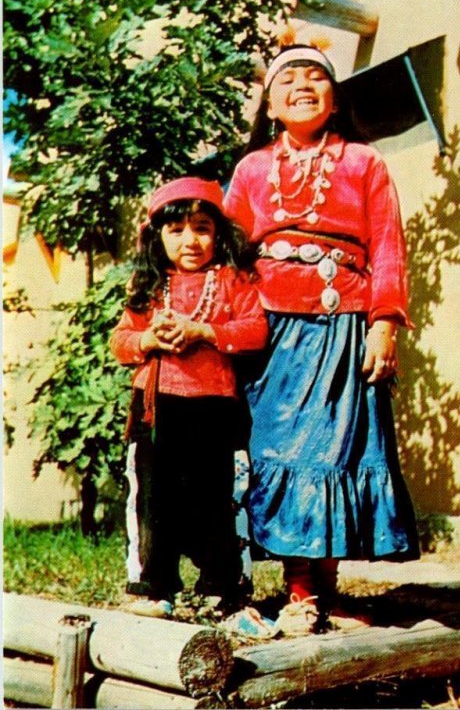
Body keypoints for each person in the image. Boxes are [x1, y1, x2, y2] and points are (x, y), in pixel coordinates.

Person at [224, 40, 420, 635]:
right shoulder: (252, 169)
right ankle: (284, 585)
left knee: (332, 454)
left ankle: (311, 592)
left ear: (335, 99)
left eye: (316, 77)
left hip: (341, 325)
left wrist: (384, 323)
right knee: (277, 453)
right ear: (269, 103)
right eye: (288, 79)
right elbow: (228, 251)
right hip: (271, 330)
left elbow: (388, 246)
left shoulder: (364, 162)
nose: (302, 86)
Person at [110, 177, 268, 618]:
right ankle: (153, 586)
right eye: (176, 230)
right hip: (156, 408)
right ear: (157, 237)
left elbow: (255, 331)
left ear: (219, 234)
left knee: (215, 495)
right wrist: (147, 341)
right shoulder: (149, 286)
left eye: (202, 228)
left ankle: (222, 586)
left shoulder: (233, 281)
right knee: (153, 497)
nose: (190, 240)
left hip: (215, 407)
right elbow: (119, 341)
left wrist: (204, 331)